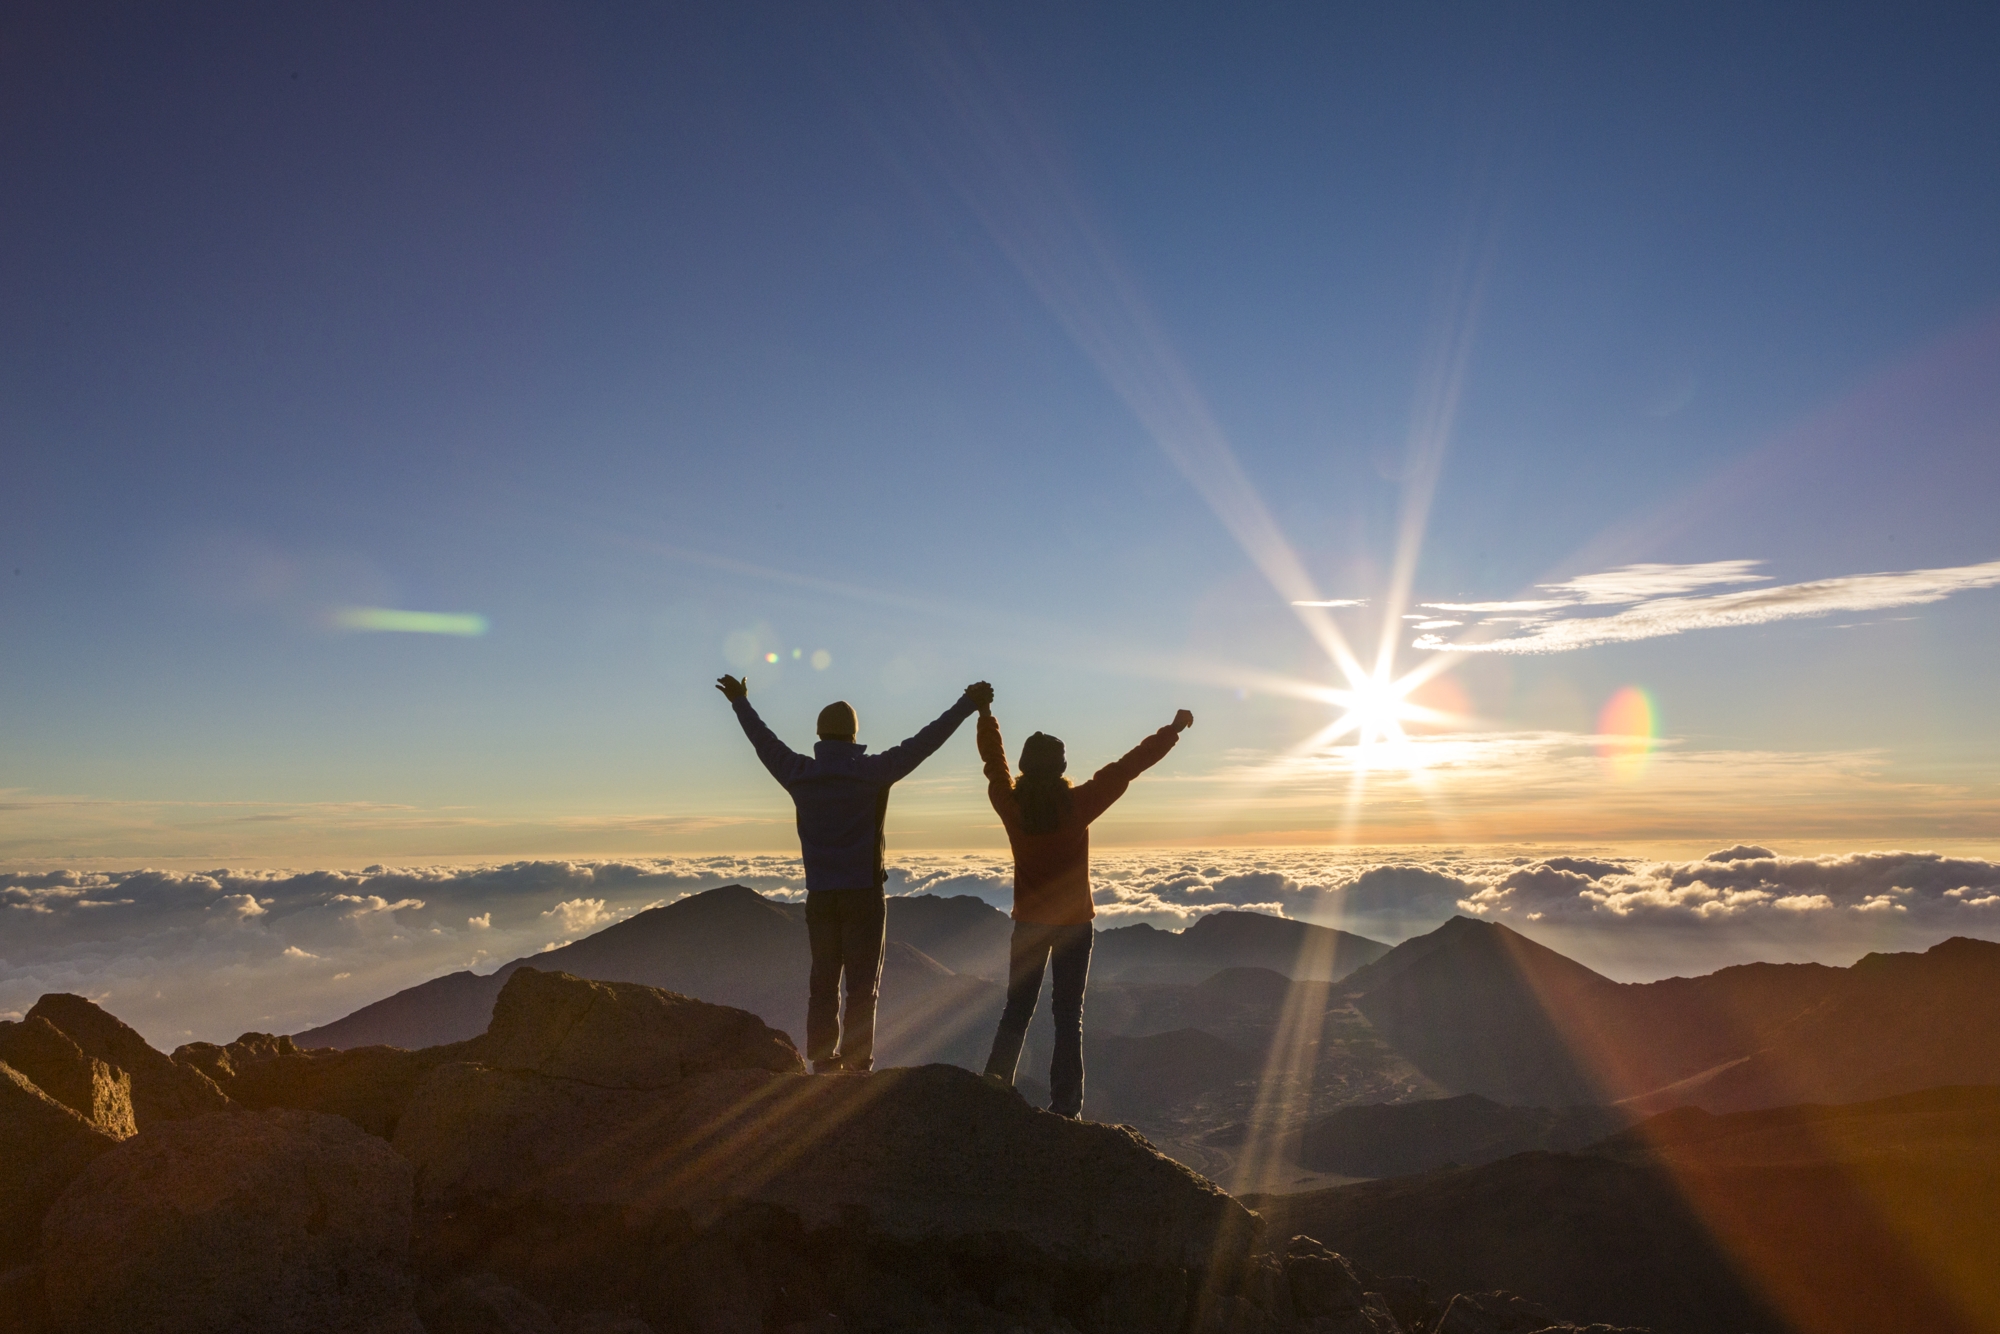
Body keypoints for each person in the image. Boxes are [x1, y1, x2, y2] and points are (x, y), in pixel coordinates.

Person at [717, 673, 993, 1073]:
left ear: (819, 735)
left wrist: (740, 700)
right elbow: (926, 741)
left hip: (821, 897)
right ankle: (858, 1061)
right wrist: (967, 704)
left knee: (823, 982)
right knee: (863, 987)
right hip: (864, 895)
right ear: (852, 737)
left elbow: (764, 741)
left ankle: (822, 1062)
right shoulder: (873, 772)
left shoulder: (798, 772)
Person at [979, 702, 1193, 1117]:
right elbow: (1127, 767)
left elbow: (993, 762)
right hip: (1075, 926)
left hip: (1028, 924)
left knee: (1016, 1011)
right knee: (1067, 1015)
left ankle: (992, 1090)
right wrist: (1172, 730)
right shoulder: (1078, 805)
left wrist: (986, 713)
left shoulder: (1011, 805)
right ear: (1061, 768)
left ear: (1025, 767)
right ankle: (1066, 1107)